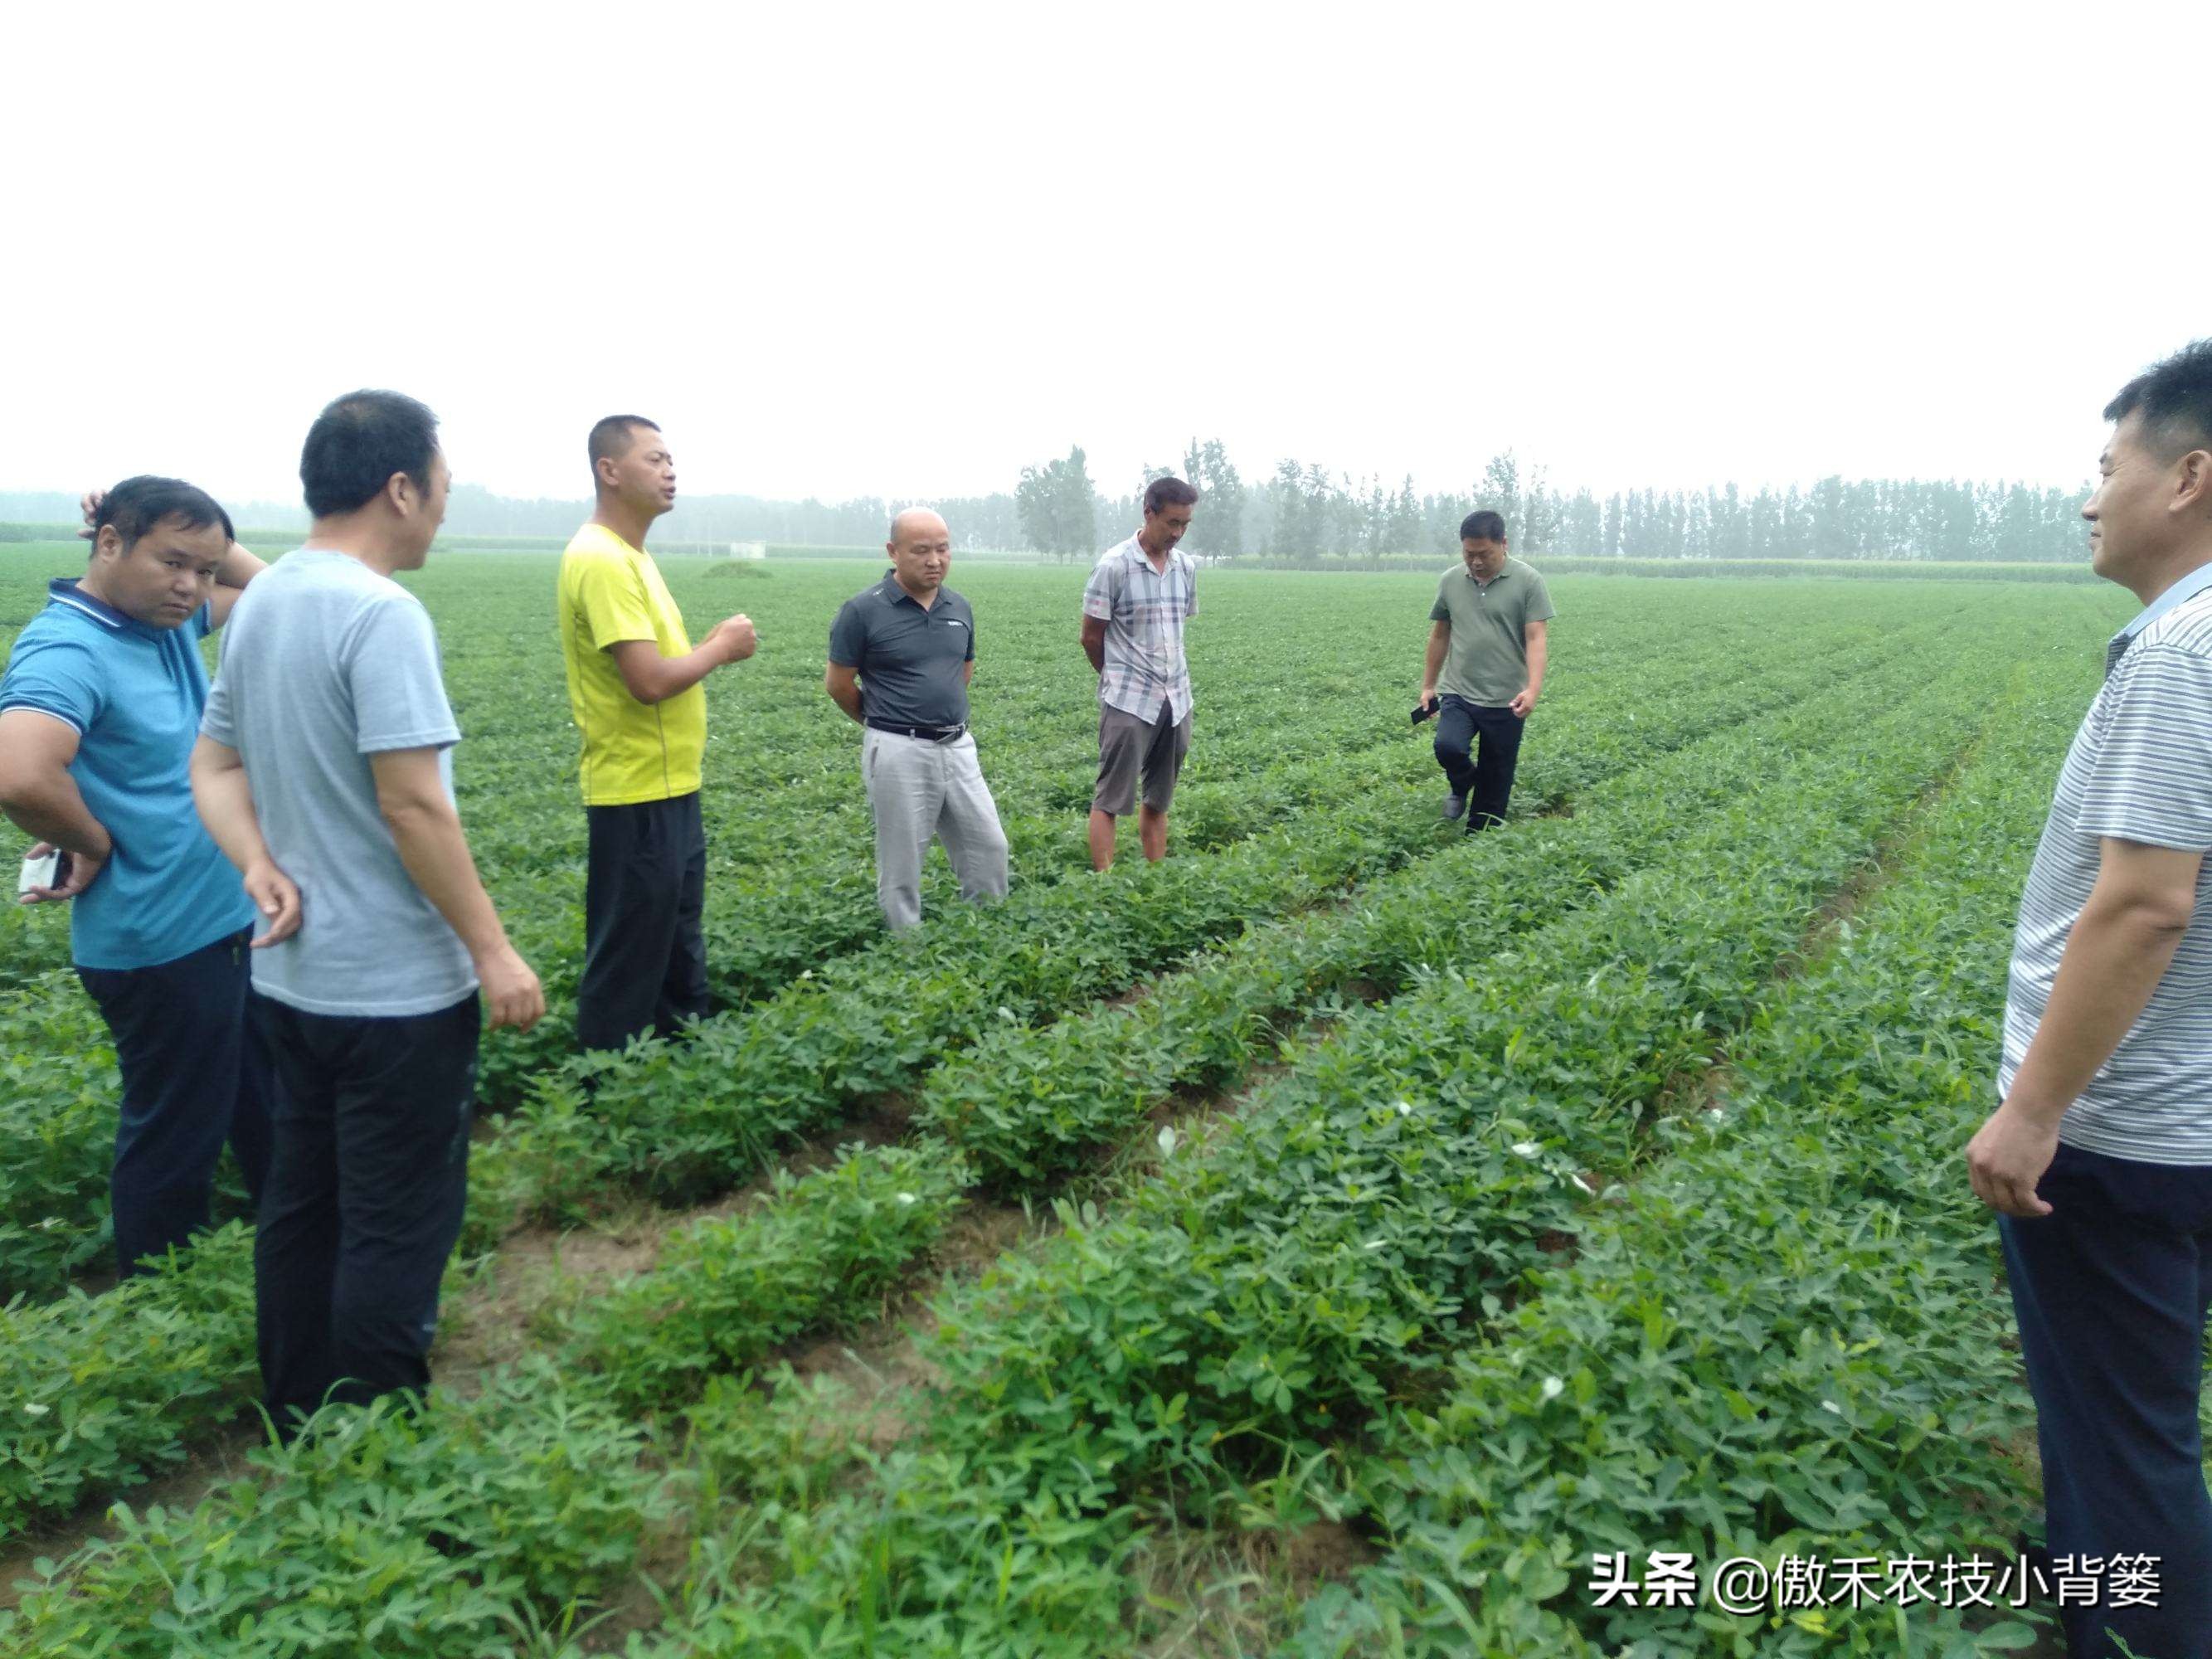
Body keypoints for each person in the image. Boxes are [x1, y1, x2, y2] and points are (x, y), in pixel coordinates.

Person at [192, 388, 544, 1432]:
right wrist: (493, 948)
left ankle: (301, 1412)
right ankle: (380, 1448)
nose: (442, 506)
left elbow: (212, 763)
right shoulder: (379, 612)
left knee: (300, 1206)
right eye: (439, 486)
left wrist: (256, 859)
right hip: (396, 992)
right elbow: (413, 802)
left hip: (291, 976)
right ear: (401, 488)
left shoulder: (261, 601)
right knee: (397, 1221)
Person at [1966, 338, 2212, 1659]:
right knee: (2140, 1417)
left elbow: (2141, 905)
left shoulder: (2182, 653)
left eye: (2104, 465)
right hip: (2198, 1115)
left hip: (2126, 1134)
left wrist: (2032, 1109)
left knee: (2123, 1447)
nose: (2086, 495)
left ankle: (2127, 1618)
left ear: (2185, 478)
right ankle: (2096, 1578)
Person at [0, 477, 270, 1277]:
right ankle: (162, 1293)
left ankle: (292, 1235)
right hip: (158, 946)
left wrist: (205, 545)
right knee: (176, 1130)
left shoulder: (163, 625)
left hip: (221, 920)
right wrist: (91, 842)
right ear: (109, 544)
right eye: (173, 562)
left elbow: (273, 588)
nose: (192, 586)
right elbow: (20, 775)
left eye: (204, 568)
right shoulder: (70, 645)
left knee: (262, 1098)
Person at [557, 415, 755, 1053]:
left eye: (671, 459)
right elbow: (647, 679)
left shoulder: (631, 556)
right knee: (629, 956)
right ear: (608, 471)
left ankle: (681, 1068)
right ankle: (609, 1096)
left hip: (668, 785)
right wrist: (720, 648)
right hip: (633, 790)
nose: (670, 471)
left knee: (674, 943)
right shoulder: (602, 560)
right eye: (654, 458)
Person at [825, 508, 1009, 931]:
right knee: (903, 858)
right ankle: (906, 948)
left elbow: (964, 669)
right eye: (921, 550)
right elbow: (838, 684)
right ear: (893, 552)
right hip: (897, 750)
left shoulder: (958, 605)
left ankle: (987, 936)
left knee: (989, 846)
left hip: (958, 746)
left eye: (943, 549)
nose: (935, 560)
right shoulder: (862, 611)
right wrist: (886, 724)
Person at [1082, 476, 1199, 871]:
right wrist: (1115, 676)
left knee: (1159, 798)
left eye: (1184, 524)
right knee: (1111, 799)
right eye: (1171, 522)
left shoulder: (1185, 568)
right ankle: (1104, 887)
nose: (1178, 533)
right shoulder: (1114, 567)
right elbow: (1090, 637)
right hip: (1128, 700)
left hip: (1177, 699)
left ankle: (1156, 879)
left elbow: (1176, 627)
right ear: (1148, 512)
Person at [1417, 509, 1553, 831]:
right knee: (1447, 746)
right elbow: (1439, 634)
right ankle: (1463, 783)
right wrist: (1428, 686)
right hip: (1458, 689)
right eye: (1468, 554)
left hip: (1507, 696)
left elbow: (1536, 638)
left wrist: (1533, 689)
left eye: (1484, 554)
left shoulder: (1529, 581)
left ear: (1503, 543)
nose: (1476, 562)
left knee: (1495, 781)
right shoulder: (1451, 580)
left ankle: (1478, 843)